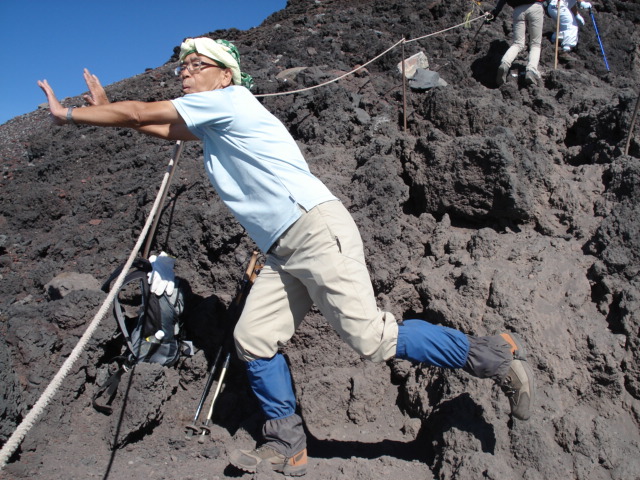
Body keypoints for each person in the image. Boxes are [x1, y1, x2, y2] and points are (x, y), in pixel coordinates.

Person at [38, 37, 535, 477]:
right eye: (180, 67)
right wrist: (110, 112)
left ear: (224, 74)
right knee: (253, 339)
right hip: (282, 248)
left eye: (194, 64)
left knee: (372, 339)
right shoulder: (212, 121)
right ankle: (288, 445)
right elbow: (163, 129)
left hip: (315, 230)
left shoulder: (230, 101)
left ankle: (495, 355)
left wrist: (74, 115)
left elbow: (143, 113)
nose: (183, 71)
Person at [490, 0, 546, 86]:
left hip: (518, 10)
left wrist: (495, 12)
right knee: (535, 44)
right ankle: (531, 70)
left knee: (517, 43)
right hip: (535, 7)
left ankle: (505, 63)